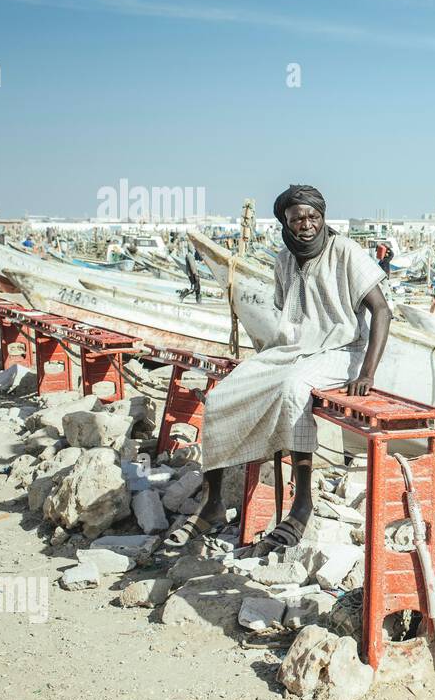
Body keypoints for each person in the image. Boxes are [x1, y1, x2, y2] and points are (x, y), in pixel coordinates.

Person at [163, 184, 392, 552]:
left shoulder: (345, 251)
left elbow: (382, 310)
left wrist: (367, 372)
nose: (306, 225)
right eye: (297, 218)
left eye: (313, 217)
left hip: (341, 349)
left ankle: (302, 505)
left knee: (292, 389)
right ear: (285, 222)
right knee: (222, 395)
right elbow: (292, 317)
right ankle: (213, 502)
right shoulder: (284, 260)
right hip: (295, 349)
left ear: (323, 217)